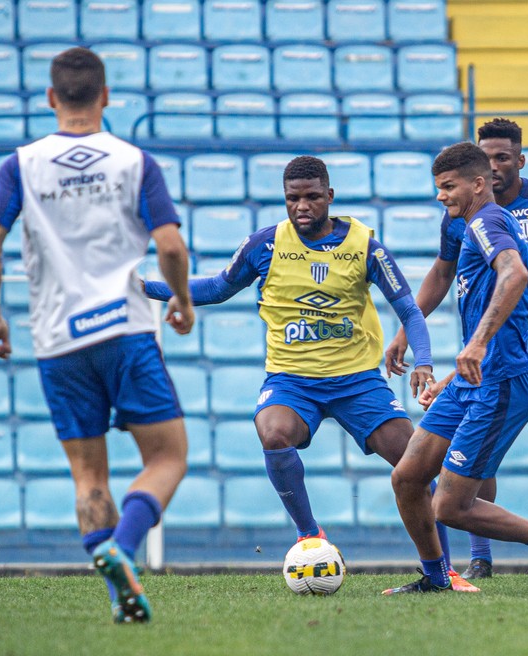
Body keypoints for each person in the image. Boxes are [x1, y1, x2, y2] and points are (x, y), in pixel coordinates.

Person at [143, 155, 479, 593]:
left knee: (414, 466)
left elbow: (409, 309)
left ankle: (442, 573)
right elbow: (215, 288)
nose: (302, 206)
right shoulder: (265, 245)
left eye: (312, 197)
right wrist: (144, 287)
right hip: (292, 380)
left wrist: (425, 362)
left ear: (329, 197)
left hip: (358, 380)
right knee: (273, 431)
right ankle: (310, 536)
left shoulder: (365, 245)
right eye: (292, 198)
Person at [0, 47, 194, 624]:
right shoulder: (133, 160)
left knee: (88, 476)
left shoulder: (19, 164)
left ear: (51, 98)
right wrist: (184, 302)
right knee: (168, 457)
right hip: (123, 329)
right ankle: (124, 545)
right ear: (105, 97)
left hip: (56, 340)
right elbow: (169, 246)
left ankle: (112, 575)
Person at [385, 117, 528, 579]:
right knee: (406, 477)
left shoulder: (491, 221)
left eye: (447, 187)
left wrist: (479, 343)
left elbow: (516, 273)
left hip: (505, 372)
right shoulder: (468, 221)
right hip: (477, 374)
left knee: (451, 503)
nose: (440, 196)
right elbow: (444, 275)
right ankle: (439, 577)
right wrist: (413, 330)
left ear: (480, 181)